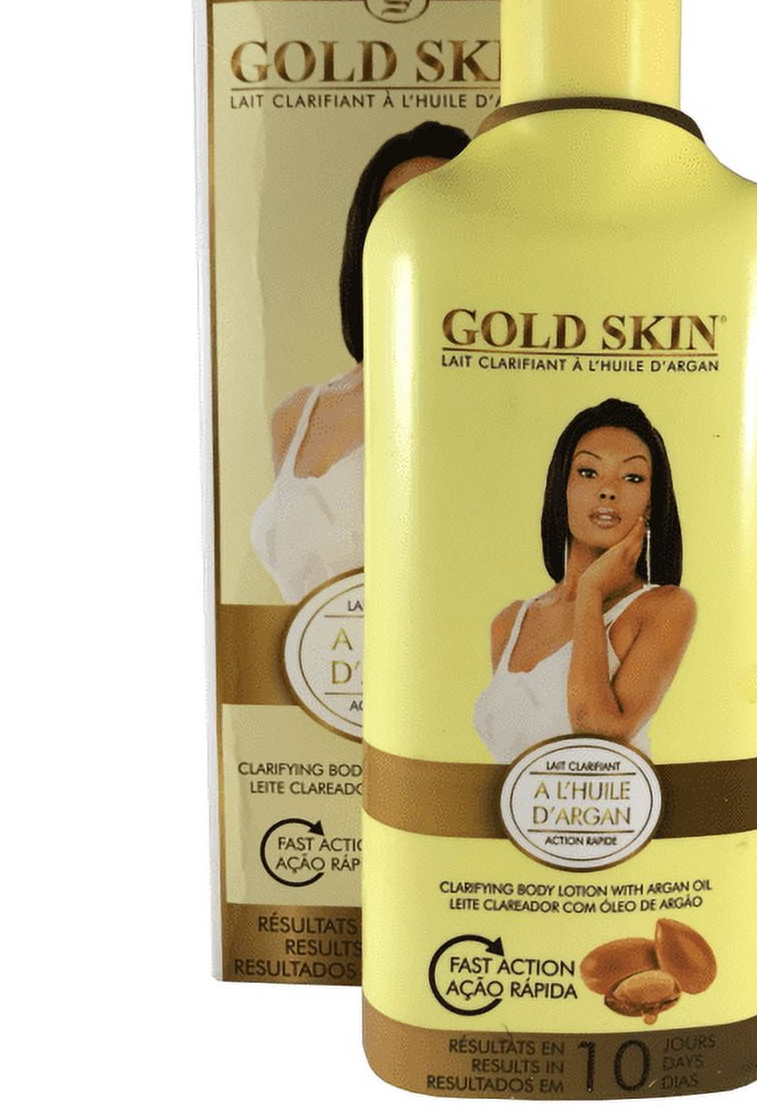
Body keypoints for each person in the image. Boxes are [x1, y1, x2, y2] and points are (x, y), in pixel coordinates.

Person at [251, 121, 471, 603]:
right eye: (394, 208)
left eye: (438, 206)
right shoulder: (296, 414)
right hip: (309, 650)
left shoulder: (492, 394)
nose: (414, 226)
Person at [474, 399, 697, 762]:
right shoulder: (510, 622)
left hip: (620, 799)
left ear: (650, 502)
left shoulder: (666, 607)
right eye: (588, 472)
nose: (608, 490)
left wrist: (591, 591)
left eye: (633, 477)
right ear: (562, 488)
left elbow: (597, 735)